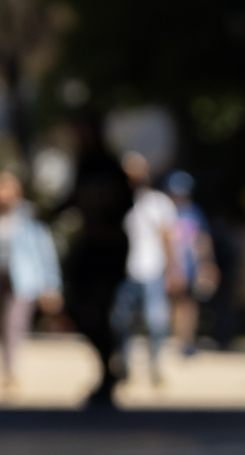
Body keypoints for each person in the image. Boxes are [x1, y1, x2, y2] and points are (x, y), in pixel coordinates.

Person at [54, 114, 132, 407]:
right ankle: (110, 364)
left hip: (108, 248)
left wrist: (103, 214)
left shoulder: (110, 165)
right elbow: (70, 200)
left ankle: (110, 370)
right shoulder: (83, 165)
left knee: (100, 307)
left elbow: (126, 203)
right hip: (89, 245)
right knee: (78, 308)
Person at [0, 170, 61, 400]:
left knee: (13, 325)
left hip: (23, 281)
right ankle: (4, 370)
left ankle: (10, 374)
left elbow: (45, 253)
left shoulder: (29, 220)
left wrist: (51, 286)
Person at [115, 152, 177, 385]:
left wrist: (173, 269)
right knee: (121, 321)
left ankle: (155, 364)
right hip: (125, 271)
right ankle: (123, 364)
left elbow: (167, 237)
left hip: (152, 269)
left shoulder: (157, 202)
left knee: (156, 322)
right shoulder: (119, 203)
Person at [165, 172, 214, 357]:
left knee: (189, 304)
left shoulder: (195, 212)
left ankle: (186, 341)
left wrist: (207, 263)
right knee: (172, 304)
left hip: (190, 265)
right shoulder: (165, 211)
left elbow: (202, 239)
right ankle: (173, 339)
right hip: (170, 266)